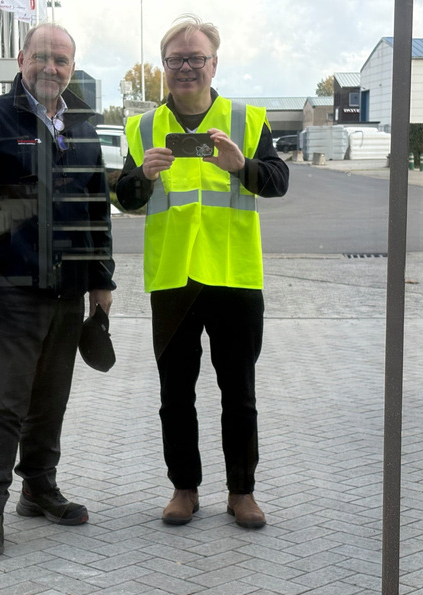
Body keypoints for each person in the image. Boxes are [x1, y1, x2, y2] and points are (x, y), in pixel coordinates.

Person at [0, 23, 115, 556]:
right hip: (13, 291)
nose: (51, 67)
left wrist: (101, 280)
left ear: (72, 66)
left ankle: (39, 490)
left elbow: (95, 211)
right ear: (21, 59)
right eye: (41, 57)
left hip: (68, 291)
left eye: (61, 60)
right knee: (3, 403)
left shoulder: (83, 127)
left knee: (50, 400)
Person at [116, 14, 288, 529]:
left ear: (214, 63)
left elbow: (277, 181)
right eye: (176, 60)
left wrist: (241, 166)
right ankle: (184, 489)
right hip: (172, 279)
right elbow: (124, 198)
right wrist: (142, 177)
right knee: (175, 395)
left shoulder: (246, 120)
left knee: (239, 393)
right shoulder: (142, 126)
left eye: (196, 58)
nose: (186, 67)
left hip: (234, 277)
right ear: (164, 67)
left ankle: (242, 492)